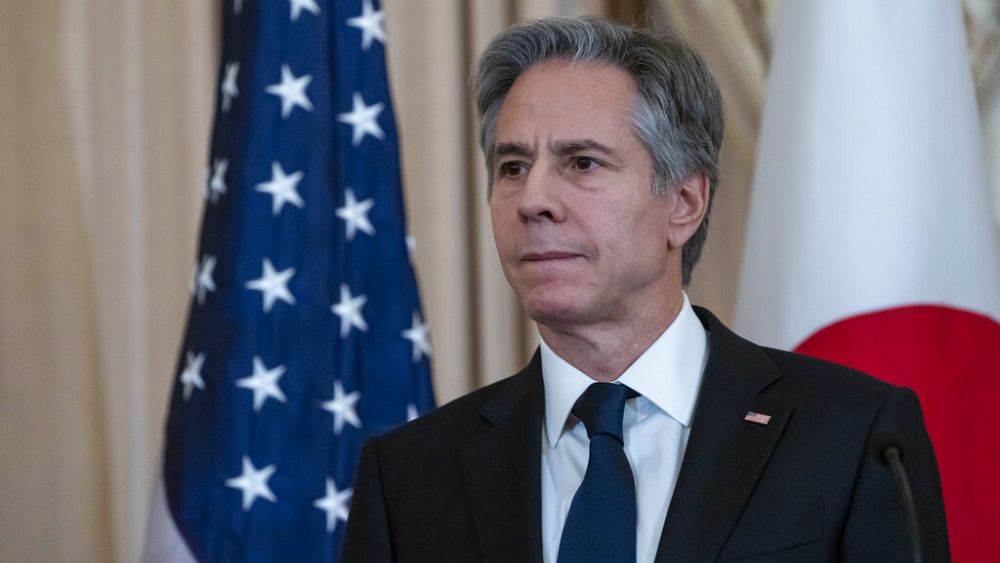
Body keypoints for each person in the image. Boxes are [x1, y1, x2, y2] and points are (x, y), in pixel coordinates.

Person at [341, 16, 950, 563]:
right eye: (513, 167)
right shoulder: (409, 476)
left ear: (683, 203)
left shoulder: (855, 436)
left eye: (582, 163)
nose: (532, 200)